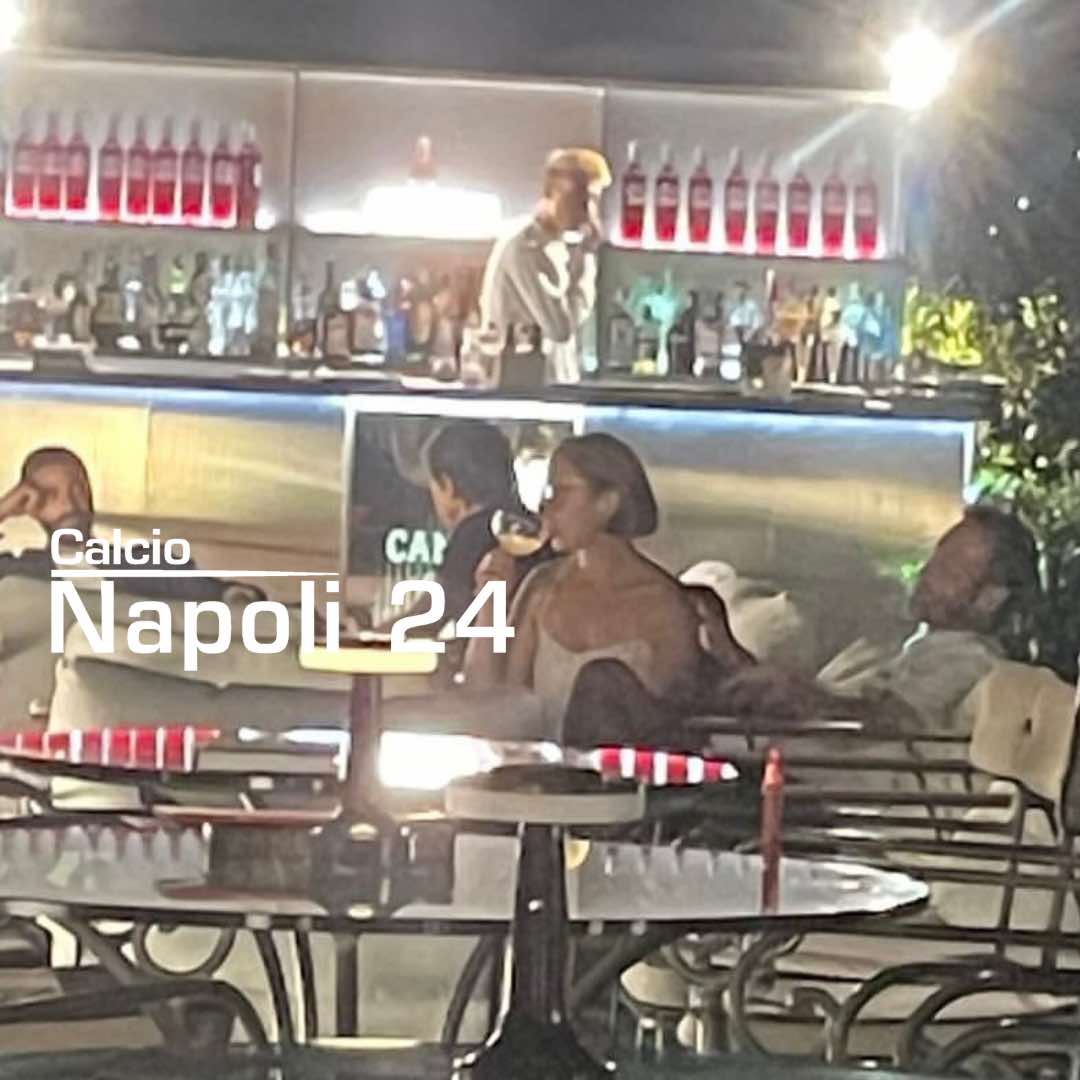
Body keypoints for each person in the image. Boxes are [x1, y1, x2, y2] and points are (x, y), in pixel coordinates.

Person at [466, 433, 714, 745]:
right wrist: (491, 599)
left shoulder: (663, 606)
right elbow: (493, 702)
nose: (544, 506)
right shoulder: (543, 588)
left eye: (559, 492)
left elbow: (672, 730)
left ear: (607, 503)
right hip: (539, 770)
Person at [719, 505, 1041, 734]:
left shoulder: (969, 661)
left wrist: (807, 699)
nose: (927, 574)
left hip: (840, 791)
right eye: (935, 558)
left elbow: (894, 722)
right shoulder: (913, 645)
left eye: (949, 571)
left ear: (990, 599)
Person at [0, 446, 226, 601]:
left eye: (78, 490)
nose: (70, 504)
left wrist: (234, 595)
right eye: (51, 495)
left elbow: (223, 596)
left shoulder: (150, 564)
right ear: (30, 506)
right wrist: (4, 508)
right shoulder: (18, 573)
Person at [479, 147, 611, 385]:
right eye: (582, 200)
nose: (589, 212)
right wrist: (587, 258)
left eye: (594, 201)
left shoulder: (558, 247)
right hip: (523, 385)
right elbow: (559, 328)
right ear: (555, 194)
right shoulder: (526, 248)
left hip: (551, 384)